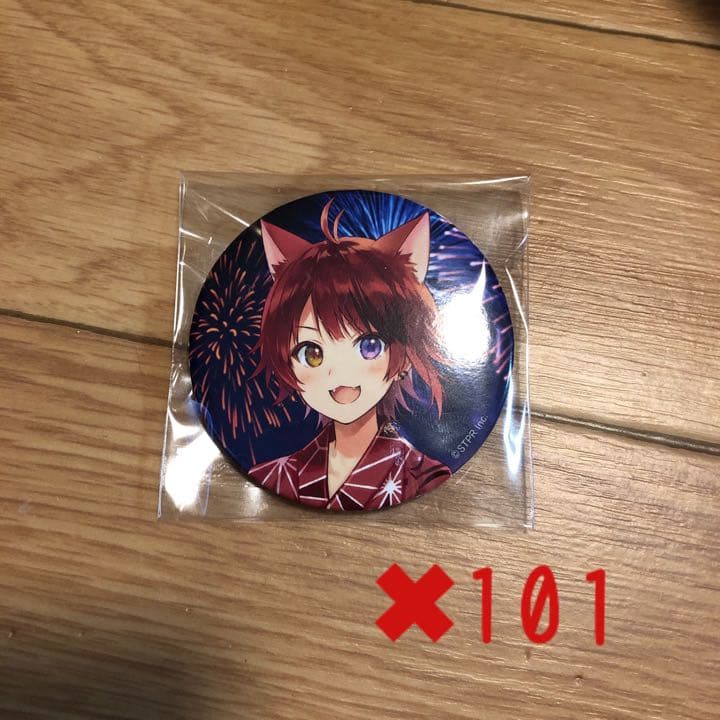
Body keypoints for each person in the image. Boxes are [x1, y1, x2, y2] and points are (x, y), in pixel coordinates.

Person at [249, 200, 451, 511]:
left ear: (404, 358)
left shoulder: (424, 479)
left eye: (369, 346)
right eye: (312, 353)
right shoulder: (274, 478)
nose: (340, 374)